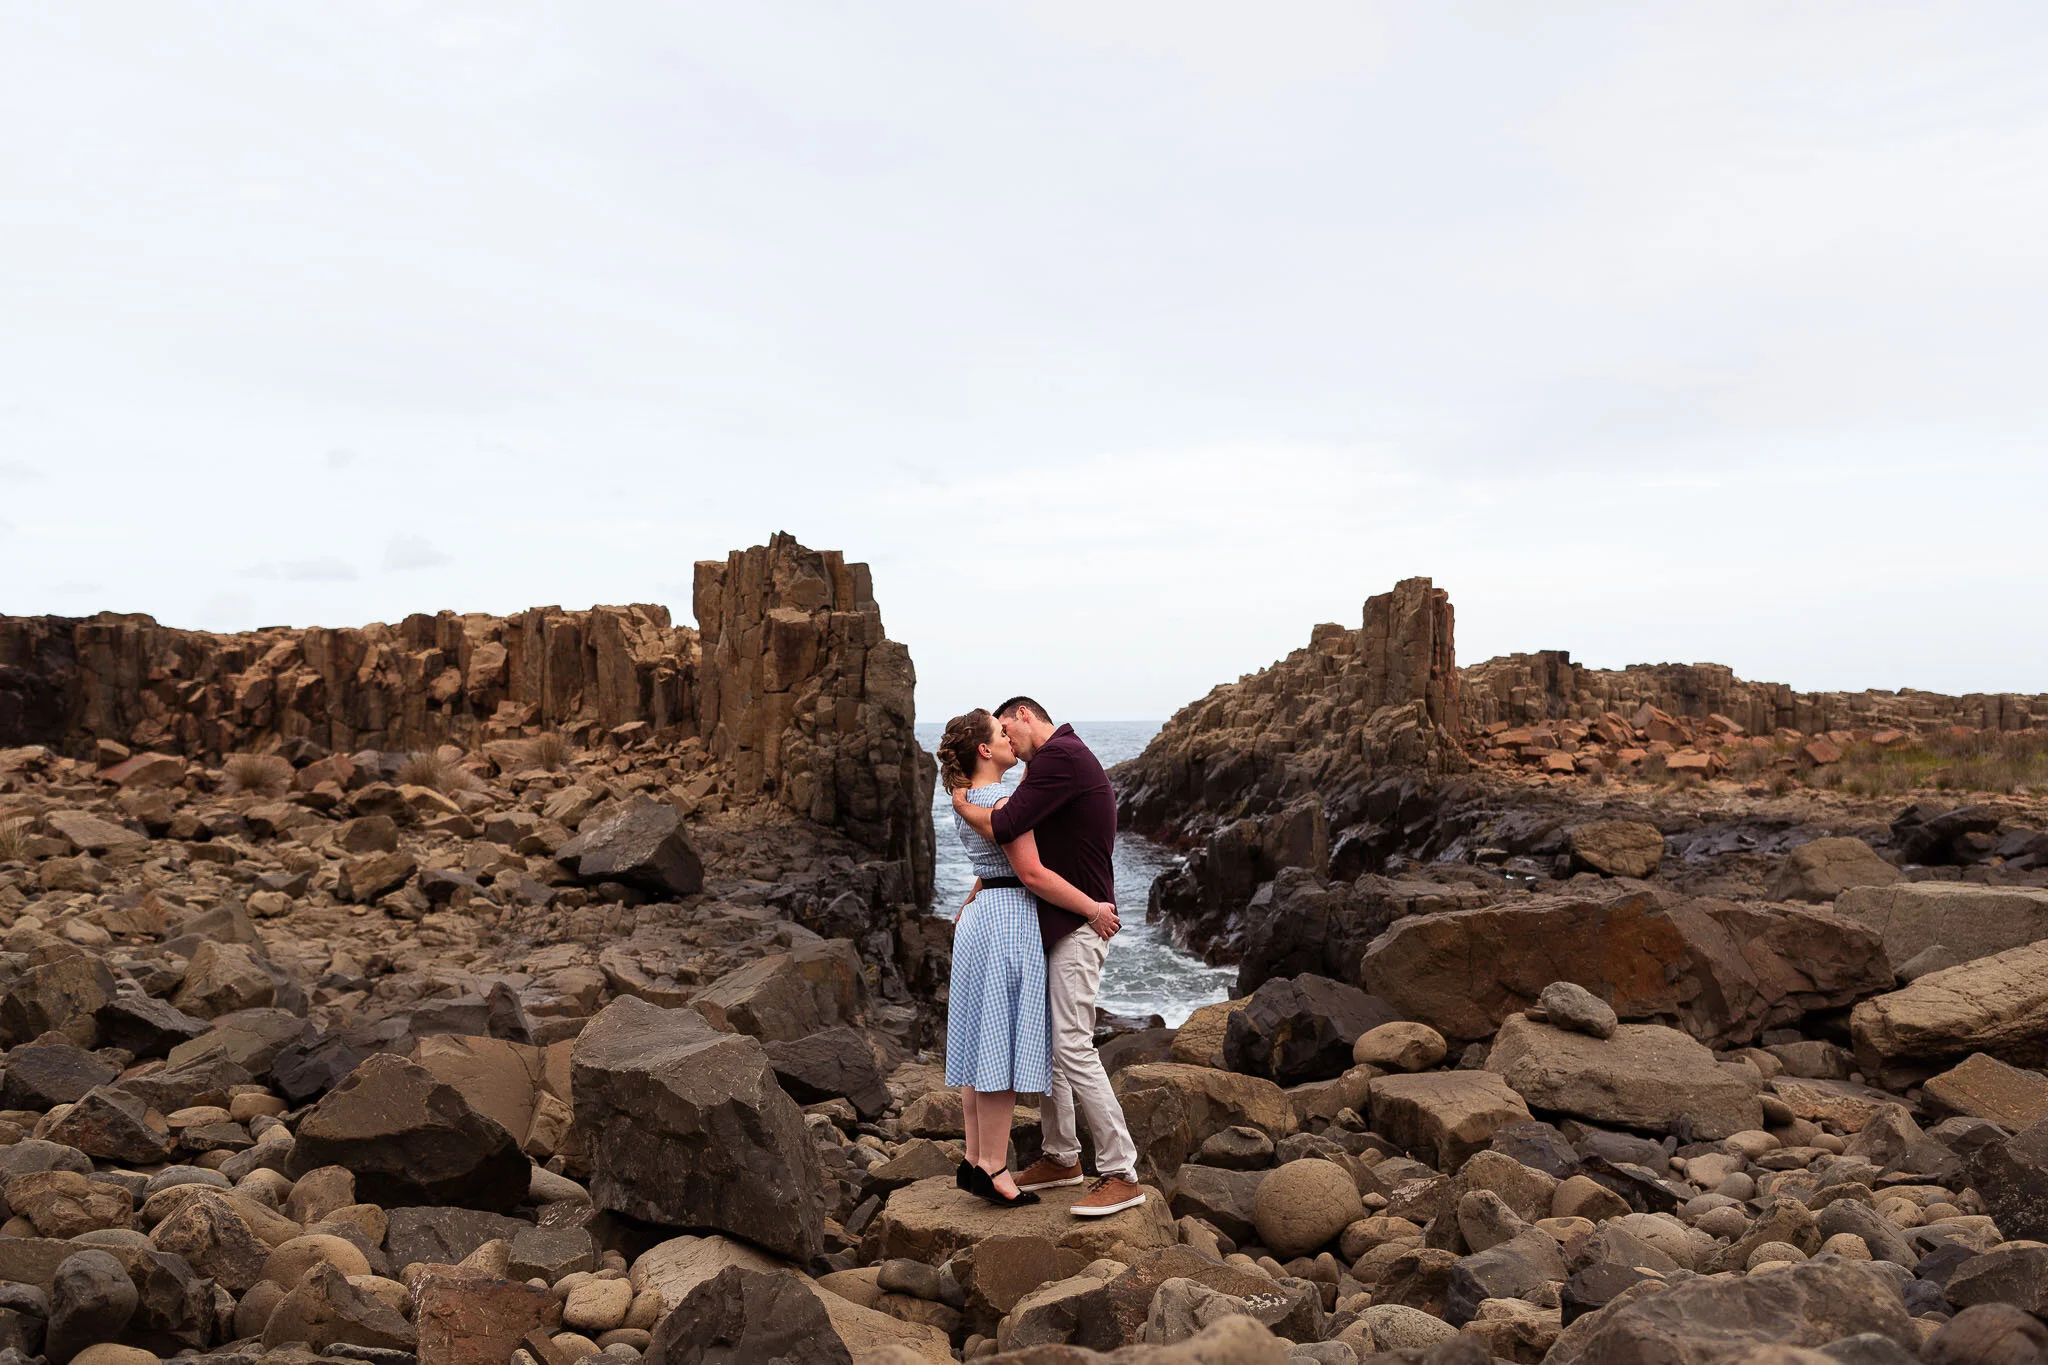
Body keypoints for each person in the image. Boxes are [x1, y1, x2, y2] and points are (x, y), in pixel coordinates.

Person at [951, 697, 1147, 1217]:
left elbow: (1007, 823)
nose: (1007, 743)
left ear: (1022, 716)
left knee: (1072, 1045)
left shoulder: (1060, 756)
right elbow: (1016, 848)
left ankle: (1121, 1172)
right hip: (1057, 921)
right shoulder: (1049, 767)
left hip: (1081, 921)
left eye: (1007, 732)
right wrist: (981, 885)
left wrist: (960, 800)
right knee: (1051, 1043)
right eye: (1000, 738)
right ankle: (1062, 1158)